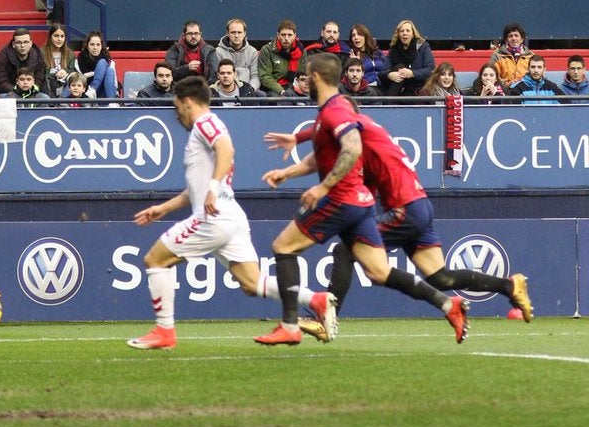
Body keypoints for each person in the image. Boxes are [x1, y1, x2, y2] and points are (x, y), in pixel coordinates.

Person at [264, 89, 532, 334]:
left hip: (405, 208)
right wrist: (297, 144)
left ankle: (326, 319)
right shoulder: (367, 131)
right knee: (441, 276)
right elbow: (325, 138)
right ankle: (509, 286)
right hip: (420, 205)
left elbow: (327, 133)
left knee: (344, 251)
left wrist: (300, 153)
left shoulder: (356, 133)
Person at [255, 52, 470, 346]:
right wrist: (288, 170)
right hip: (363, 205)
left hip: (341, 200)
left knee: (283, 247)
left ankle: (290, 325)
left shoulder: (333, 111)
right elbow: (321, 154)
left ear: (316, 77)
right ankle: (449, 305)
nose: (304, 82)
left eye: (306, 76)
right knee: (379, 271)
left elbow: (352, 147)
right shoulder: (336, 108)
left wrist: (322, 188)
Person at [126, 76, 327, 350]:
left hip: (214, 216)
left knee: (155, 260)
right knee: (252, 283)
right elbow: (193, 192)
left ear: (187, 102)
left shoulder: (206, 123)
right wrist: (162, 208)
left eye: (177, 107)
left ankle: (164, 331)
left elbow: (226, 148)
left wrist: (211, 187)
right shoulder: (204, 129)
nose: (177, 115)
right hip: (229, 214)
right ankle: (316, 300)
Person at [380, 19, 434, 97]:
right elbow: (382, 72)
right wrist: (390, 75)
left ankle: (390, 102)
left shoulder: (423, 47)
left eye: (408, 31)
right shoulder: (393, 50)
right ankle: (389, 103)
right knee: (399, 67)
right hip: (399, 88)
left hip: (418, 87)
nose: (405, 33)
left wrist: (412, 73)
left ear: (413, 34)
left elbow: (430, 70)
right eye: (402, 31)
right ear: (398, 34)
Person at [257, 19, 307, 97]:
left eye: (289, 35)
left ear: (295, 35)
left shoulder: (301, 52)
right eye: (283, 35)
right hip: (273, 90)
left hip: (294, 88)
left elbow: (303, 74)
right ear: (278, 35)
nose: (286, 38)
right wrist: (281, 91)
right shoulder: (267, 50)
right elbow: (265, 77)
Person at [209, 18, 261, 92]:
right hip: (225, 89)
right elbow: (218, 76)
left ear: (244, 33)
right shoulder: (218, 52)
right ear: (227, 33)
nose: (236, 36)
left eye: (239, 32)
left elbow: (255, 76)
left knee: (262, 96)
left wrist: (249, 90)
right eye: (233, 32)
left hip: (248, 90)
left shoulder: (252, 52)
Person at [0, 27, 45, 95]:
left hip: (31, 92)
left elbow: (40, 77)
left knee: (45, 98)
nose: (22, 45)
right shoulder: (2, 57)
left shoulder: (37, 55)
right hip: (8, 92)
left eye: (26, 42)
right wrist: (18, 91)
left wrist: (32, 89)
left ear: (31, 43)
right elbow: (1, 82)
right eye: (19, 42)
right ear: (13, 44)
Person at [75, 30, 119, 99]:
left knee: (108, 69)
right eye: (92, 44)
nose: (95, 48)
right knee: (107, 68)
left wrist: (92, 74)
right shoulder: (79, 60)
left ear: (102, 46)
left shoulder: (109, 61)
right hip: (85, 93)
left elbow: (114, 83)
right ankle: (111, 102)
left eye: (98, 45)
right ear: (87, 46)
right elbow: (78, 81)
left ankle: (93, 89)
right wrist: (98, 73)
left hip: (106, 92)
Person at [487, 21, 534, 86]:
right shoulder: (497, 55)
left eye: (516, 35)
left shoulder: (531, 56)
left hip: (525, 91)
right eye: (510, 36)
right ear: (506, 40)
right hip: (505, 91)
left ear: (522, 39)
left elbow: (536, 76)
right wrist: (508, 84)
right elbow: (491, 76)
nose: (514, 38)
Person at [38, 23, 75, 97]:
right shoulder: (41, 53)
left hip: (64, 85)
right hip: (48, 85)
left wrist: (65, 71)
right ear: (50, 37)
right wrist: (54, 75)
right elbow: (40, 74)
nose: (59, 39)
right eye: (56, 36)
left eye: (62, 36)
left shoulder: (69, 53)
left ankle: (62, 102)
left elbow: (72, 70)